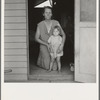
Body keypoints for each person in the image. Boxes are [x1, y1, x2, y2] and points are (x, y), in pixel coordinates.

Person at [35, 6, 66, 71]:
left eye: (50, 12)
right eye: (46, 12)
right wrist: (46, 44)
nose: (48, 14)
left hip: (55, 46)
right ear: (43, 14)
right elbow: (36, 38)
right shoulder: (40, 24)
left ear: (52, 14)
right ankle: (41, 60)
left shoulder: (56, 22)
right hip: (44, 45)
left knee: (54, 68)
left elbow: (63, 35)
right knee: (47, 66)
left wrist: (62, 45)